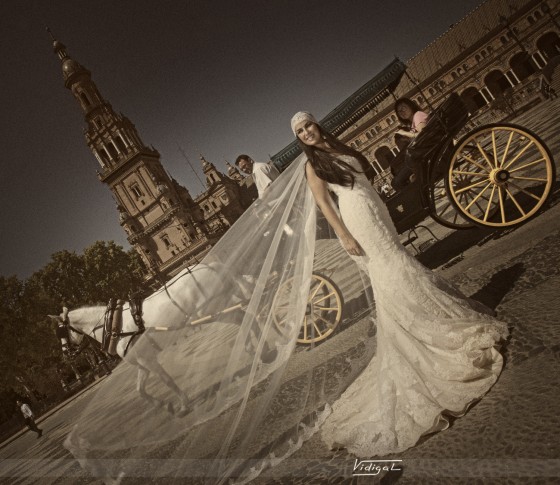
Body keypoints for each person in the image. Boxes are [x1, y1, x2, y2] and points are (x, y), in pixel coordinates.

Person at [291, 110, 507, 457]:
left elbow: (364, 181)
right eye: (300, 132)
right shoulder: (312, 165)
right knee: (392, 271)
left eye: (308, 126)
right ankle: (425, 336)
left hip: (373, 207)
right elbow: (323, 203)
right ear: (299, 139)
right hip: (355, 217)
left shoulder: (335, 146)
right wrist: (344, 234)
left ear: (317, 125)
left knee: (398, 262)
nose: (306, 133)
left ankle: (428, 324)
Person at [391, 98, 429, 190]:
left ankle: (417, 200)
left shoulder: (418, 115)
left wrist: (405, 133)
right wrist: (408, 139)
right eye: (399, 111)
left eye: (403, 108)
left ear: (411, 106)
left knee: (397, 182)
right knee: (397, 180)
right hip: (421, 156)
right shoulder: (413, 122)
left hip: (424, 156)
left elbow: (423, 134)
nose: (402, 112)